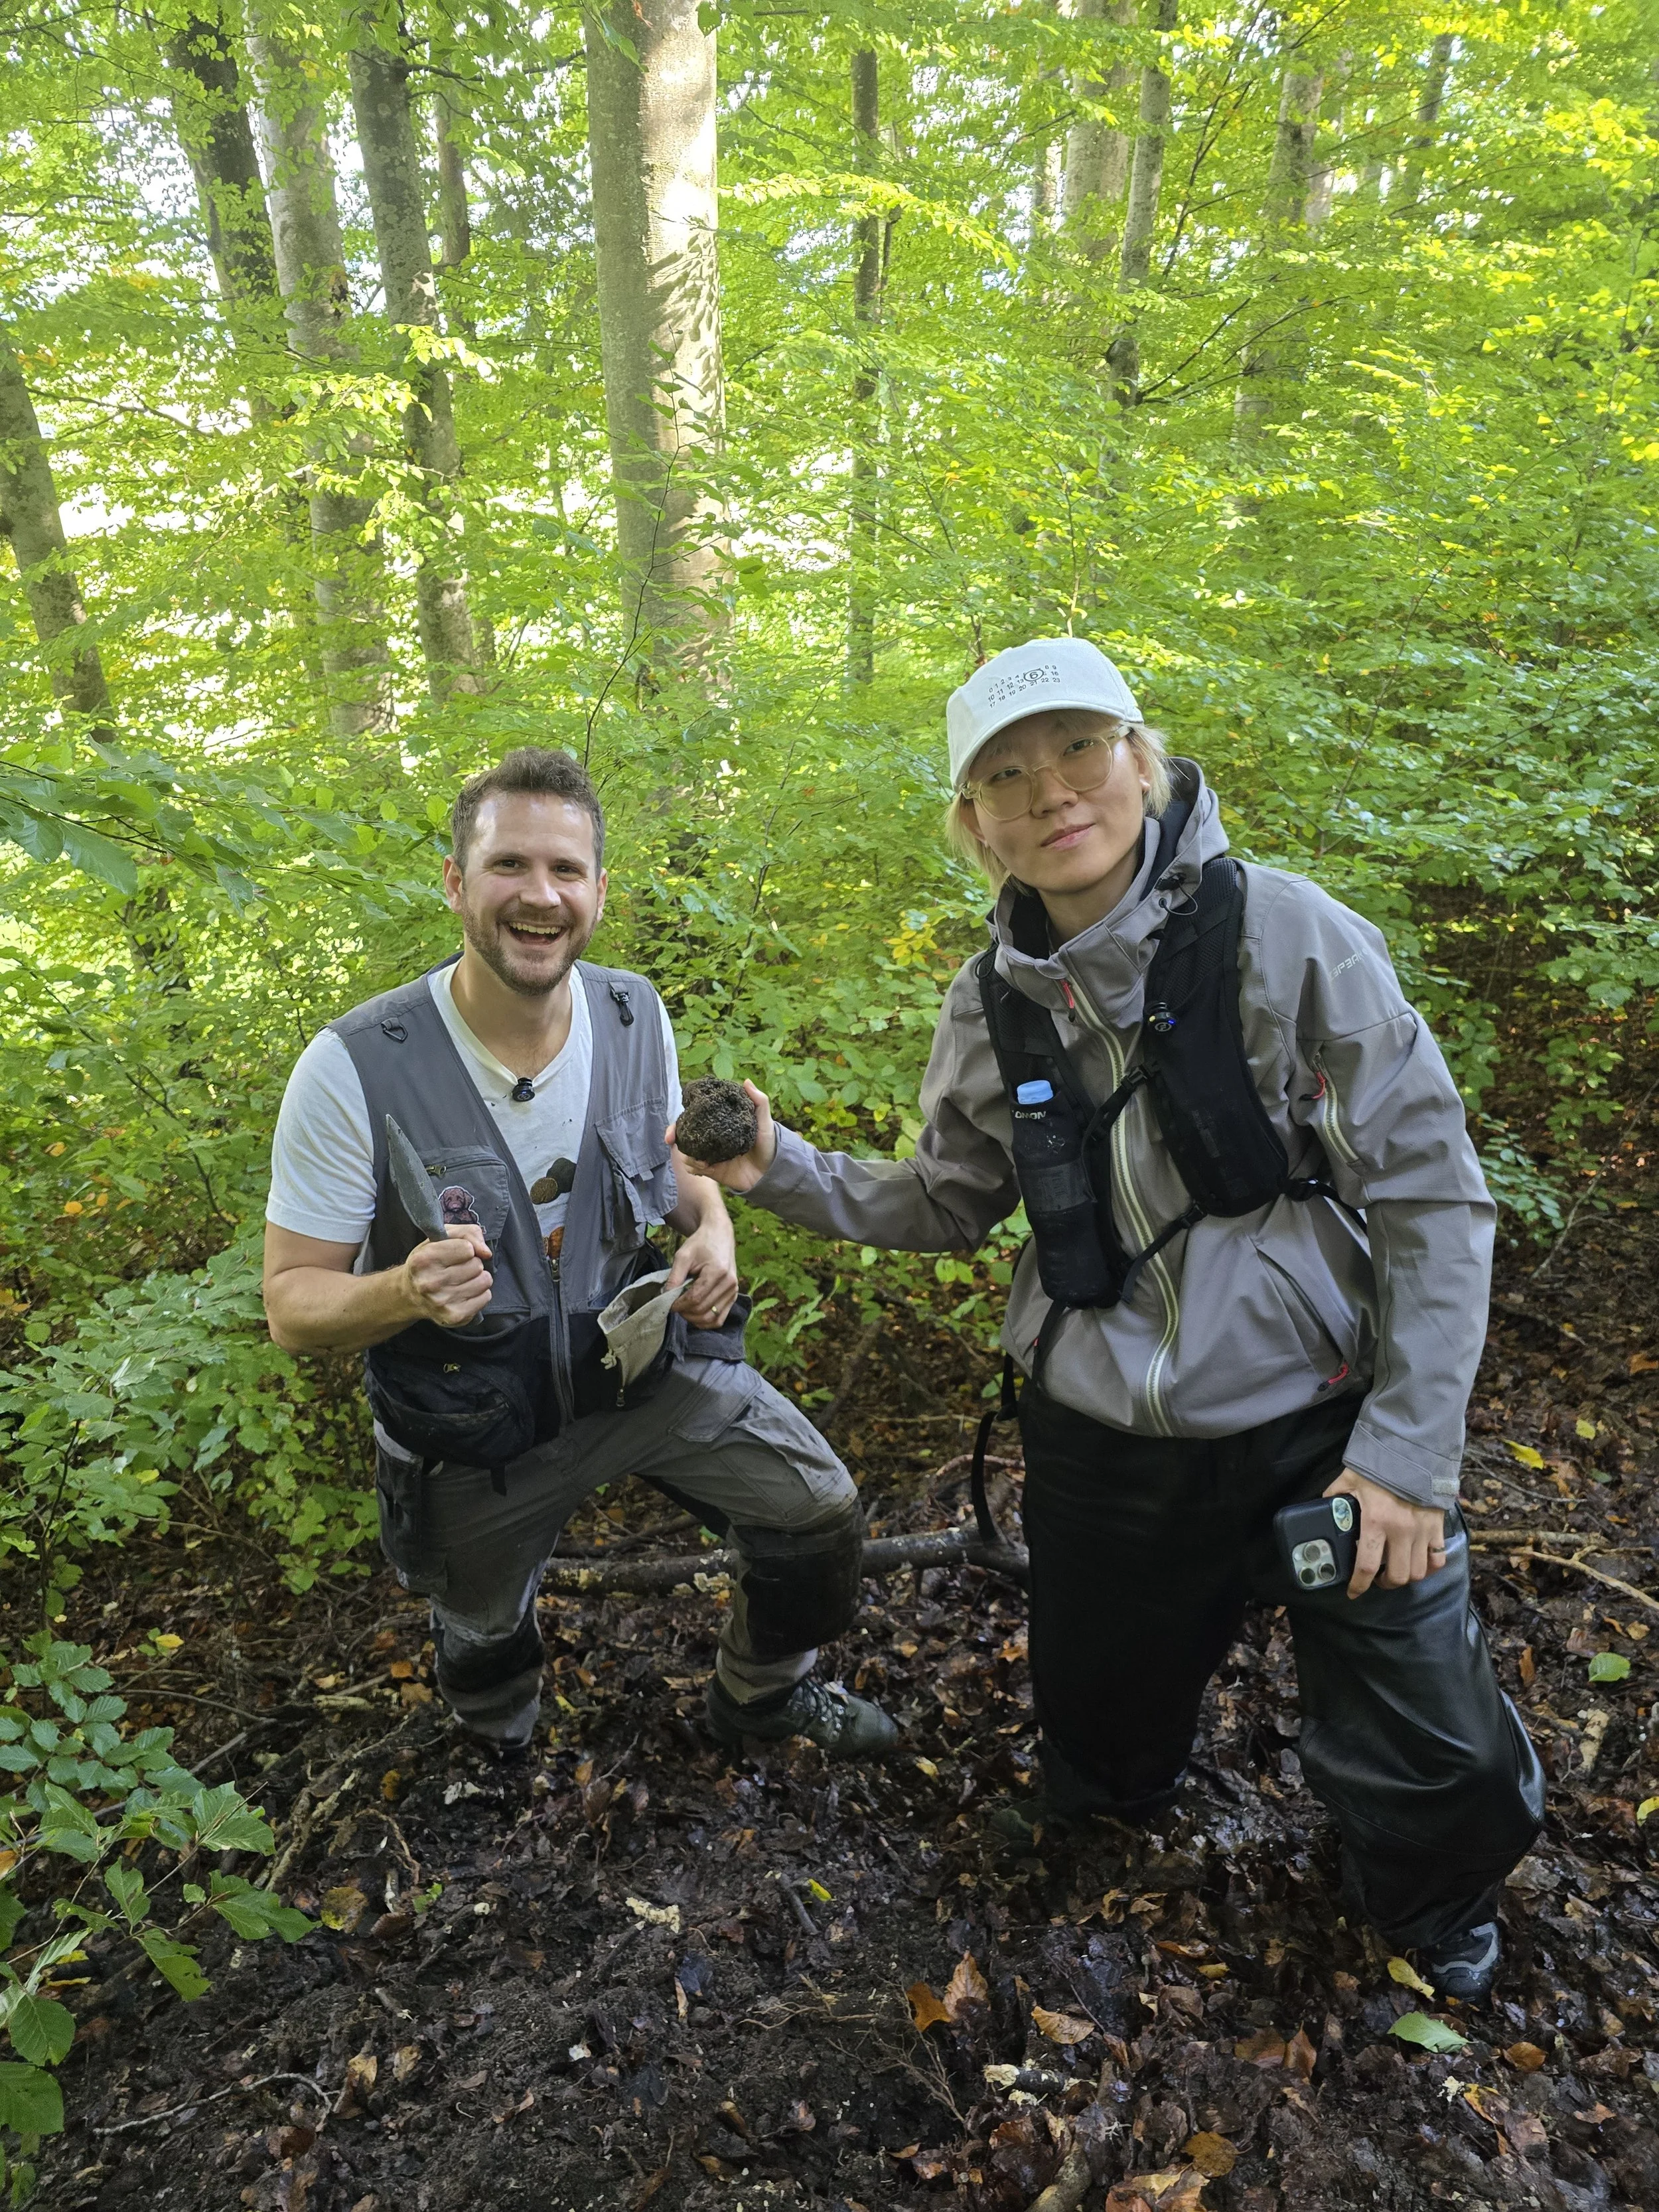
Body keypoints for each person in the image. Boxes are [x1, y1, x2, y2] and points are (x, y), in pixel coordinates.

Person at [674, 637, 1544, 2003]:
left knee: (1444, 1757)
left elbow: (1433, 1195)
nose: (1051, 792)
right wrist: (774, 1171)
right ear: (973, 828)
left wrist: (1406, 1456)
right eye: (1005, 776)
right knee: (1096, 1724)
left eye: (1080, 748)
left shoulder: (1291, 937)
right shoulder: (985, 1006)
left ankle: (1436, 1921)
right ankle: (1106, 1805)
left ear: (1141, 758)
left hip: (1321, 1426)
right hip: (1096, 1439)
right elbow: (950, 1200)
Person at [261, 747, 896, 1763]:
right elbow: (293, 1306)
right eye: (510, 866)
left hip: (638, 1367)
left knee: (817, 1515)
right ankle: (498, 1743)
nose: (540, 895)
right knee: (479, 1622)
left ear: (601, 890)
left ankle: (761, 1696)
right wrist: (404, 1290)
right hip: (475, 1417)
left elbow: (679, 1170)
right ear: (456, 882)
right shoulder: (352, 1068)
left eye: (566, 871)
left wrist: (716, 1229)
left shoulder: (632, 1010)